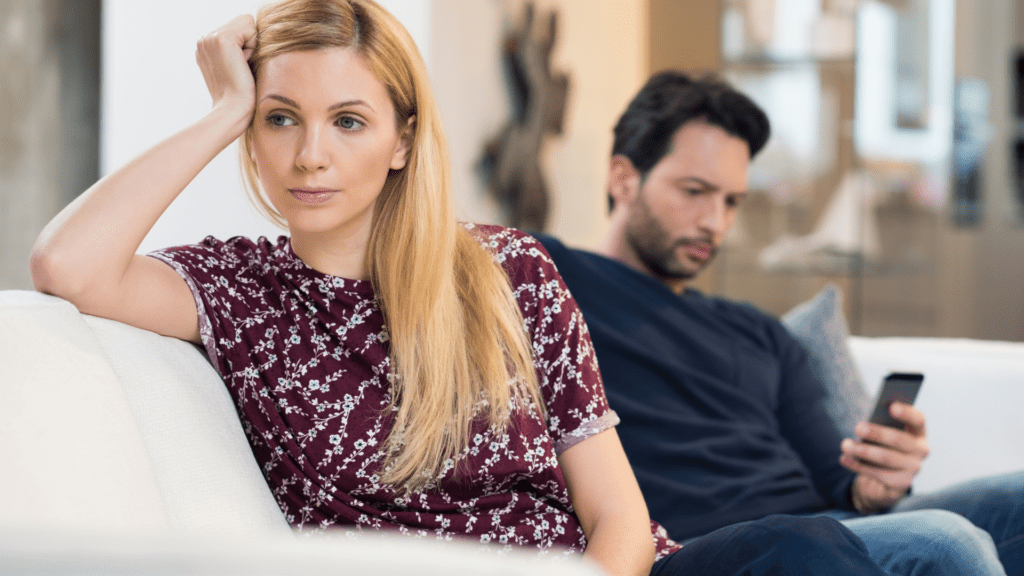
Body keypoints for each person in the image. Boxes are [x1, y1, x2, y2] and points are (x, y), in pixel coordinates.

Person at [27, 2, 896, 576]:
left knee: (806, 546)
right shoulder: (241, 291)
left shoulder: (508, 271)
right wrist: (221, 109)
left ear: (403, 140)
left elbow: (618, 520)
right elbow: (68, 265)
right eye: (278, 119)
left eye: (349, 121)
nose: (309, 155)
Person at [535, 71, 1024, 576]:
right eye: (695, 191)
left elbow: (842, 481)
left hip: (834, 531)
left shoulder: (761, 332)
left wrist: (880, 480)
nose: (715, 222)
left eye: (731, 202)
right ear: (623, 178)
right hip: (712, 544)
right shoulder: (550, 280)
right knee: (944, 540)